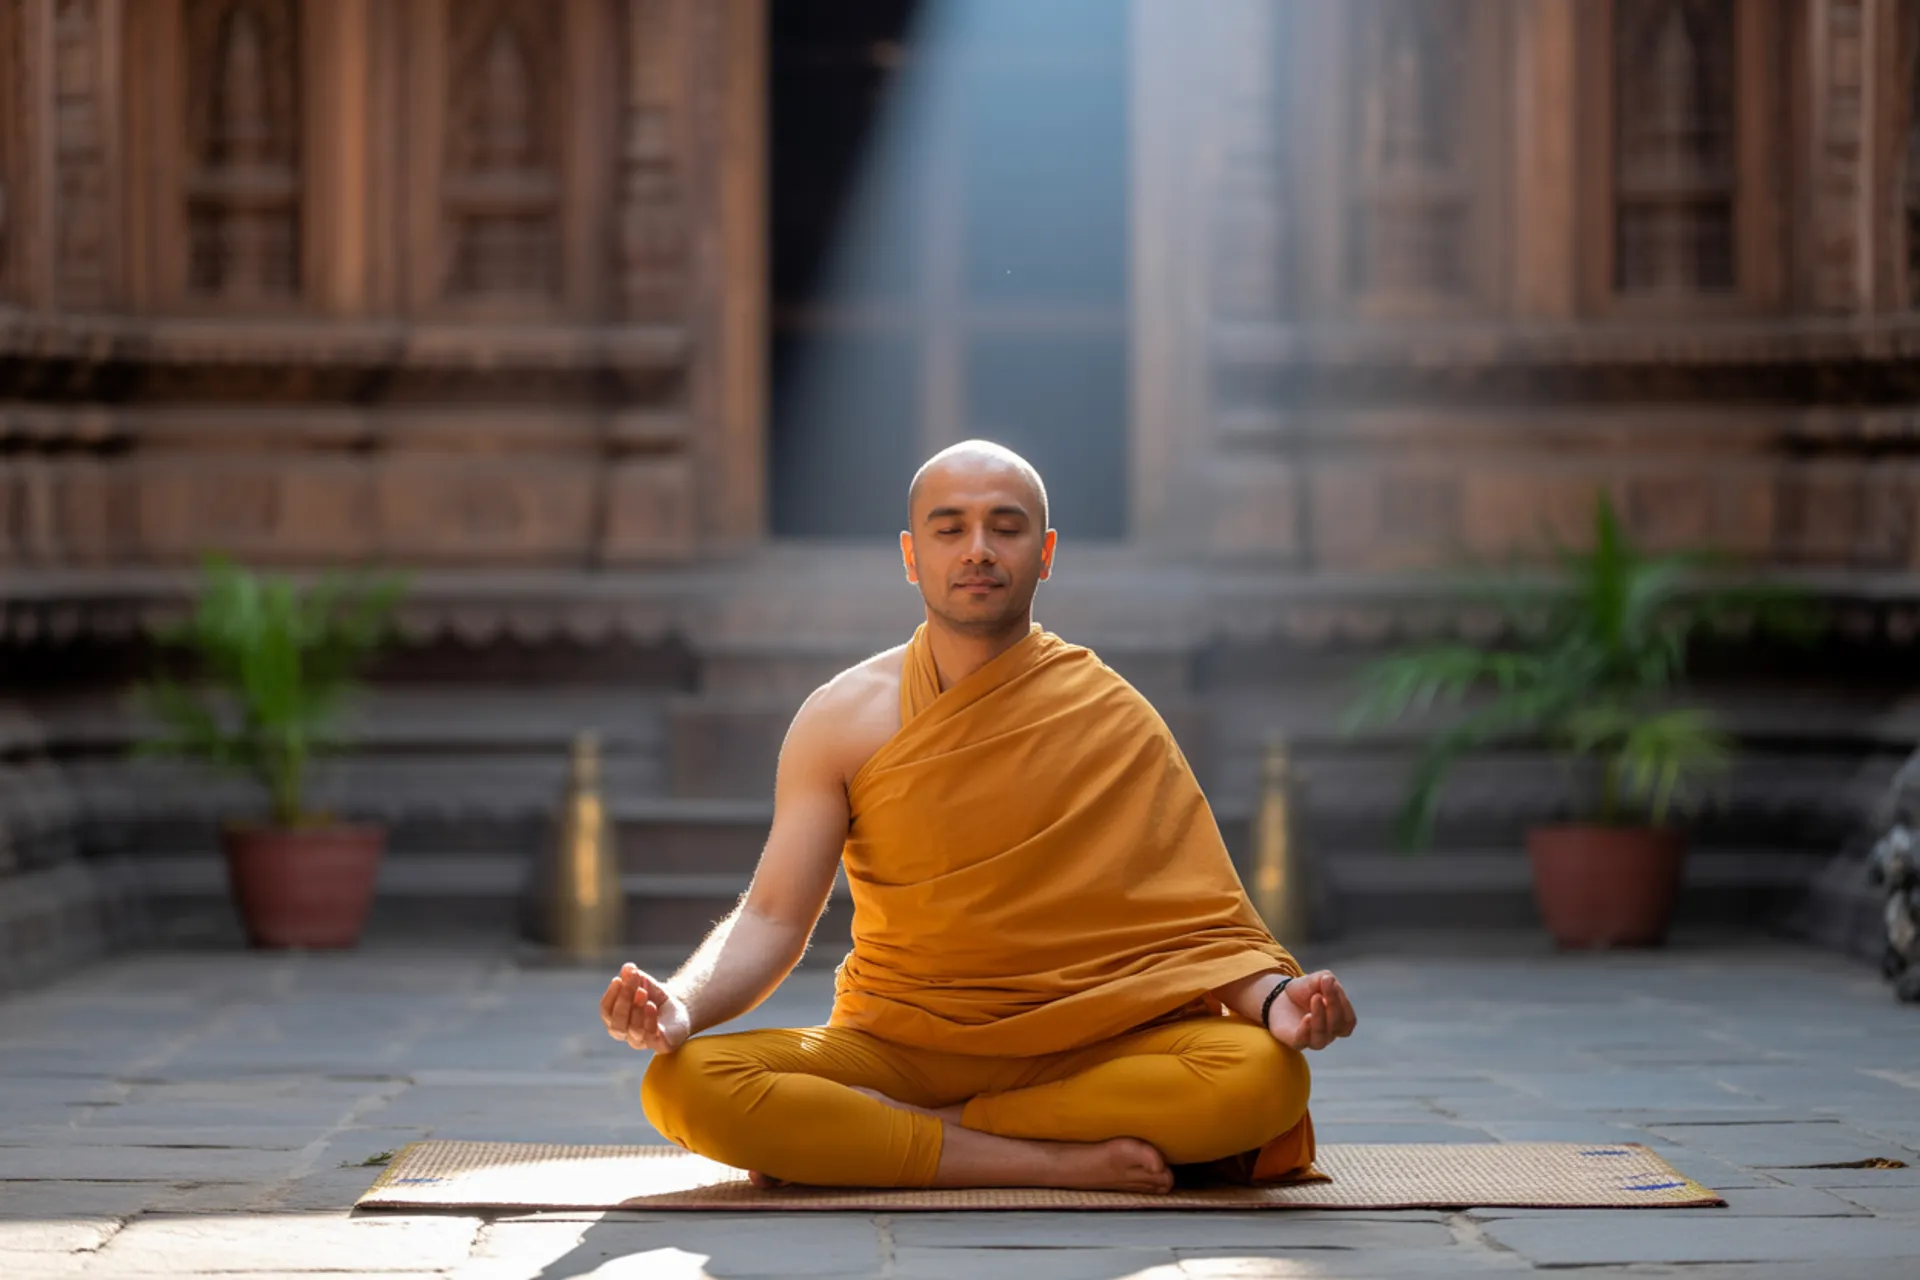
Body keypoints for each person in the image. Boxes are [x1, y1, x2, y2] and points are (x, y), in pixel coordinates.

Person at [599, 440, 1357, 1192]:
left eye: (1006, 526)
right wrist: (682, 1005)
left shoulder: (1110, 713)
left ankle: (923, 1130)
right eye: (949, 527)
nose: (979, 550)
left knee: (1264, 1077)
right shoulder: (840, 718)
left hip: (1097, 1041)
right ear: (911, 554)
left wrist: (1272, 1000)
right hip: (903, 1046)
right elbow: (770, 916)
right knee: (684, 1081)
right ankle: (1045, 1160)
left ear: (1045, 551)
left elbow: (1202, 925)